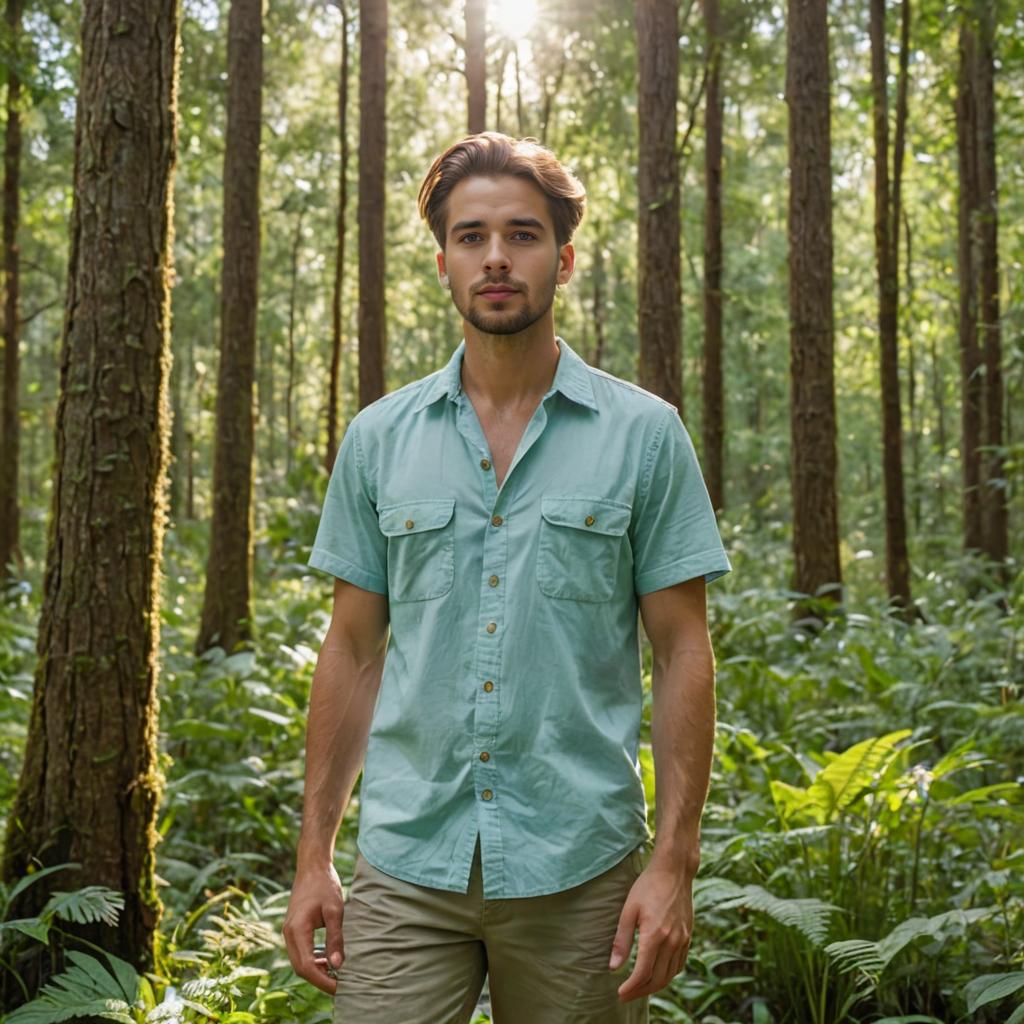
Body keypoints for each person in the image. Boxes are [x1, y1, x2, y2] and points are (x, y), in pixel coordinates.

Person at [283, 131, 732, 1023]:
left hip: (579, 870)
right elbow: (354, 649)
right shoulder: (379, 440)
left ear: (563, 261)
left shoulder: (645, 436)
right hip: (409, 863)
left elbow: (683, 652)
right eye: (471, 236)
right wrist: (314, 856)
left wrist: (673, 862)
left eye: (523, 235)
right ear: (445, 261)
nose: (496, 257)